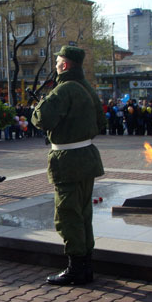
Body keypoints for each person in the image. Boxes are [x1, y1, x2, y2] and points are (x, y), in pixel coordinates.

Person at [31, 45, 104, 285]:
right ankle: (87, 265)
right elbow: (101, 121)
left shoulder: (65, 89)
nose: (55, 66)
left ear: (65, 65)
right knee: (83, 213)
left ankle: (76, 270)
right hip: (86, 155)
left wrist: (39, 106)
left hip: (69, 160)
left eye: (57, 62)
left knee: (67, 214)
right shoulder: (87, 88)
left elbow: (42, 120)